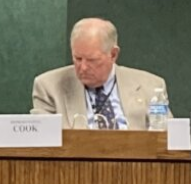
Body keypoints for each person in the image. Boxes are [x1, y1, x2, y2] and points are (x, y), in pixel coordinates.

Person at [30, 18, 167, 129]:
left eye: (92, 60)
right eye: (77, 58)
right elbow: (39, 141)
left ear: (113, 54)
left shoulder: (151, 86)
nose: (83, 67)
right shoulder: (48, 87)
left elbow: (167, 137)